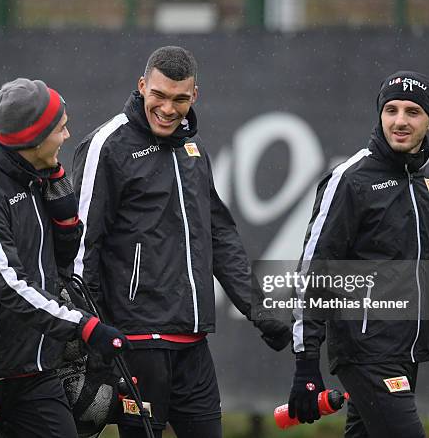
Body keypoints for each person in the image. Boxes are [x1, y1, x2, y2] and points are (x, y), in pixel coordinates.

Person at [72, 46, 292, 438]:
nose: (168, 109)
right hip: (135, 342)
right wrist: (94, 336)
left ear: (195, 96)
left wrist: (261, 312)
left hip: (192, 343)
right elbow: (80, 249)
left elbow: (220, 237)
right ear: (142, 86)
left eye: (180, 99)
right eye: (159, 95)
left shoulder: (193, 149)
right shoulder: (107, 145)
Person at [287, 70, 429, 437]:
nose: (400, 121)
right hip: (365, 351)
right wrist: (306, 363)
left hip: (409, 350)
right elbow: (314, 271)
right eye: (391, 110)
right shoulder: (351, 178)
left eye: (412, 112)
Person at [0, 78, 130, 437]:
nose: (67, 136)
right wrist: (84, 326)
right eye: (60, 128)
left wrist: (66, 219)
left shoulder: (40, 179)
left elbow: (59, 267)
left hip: (35, 374)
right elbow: (11, 285)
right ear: (32, 138)